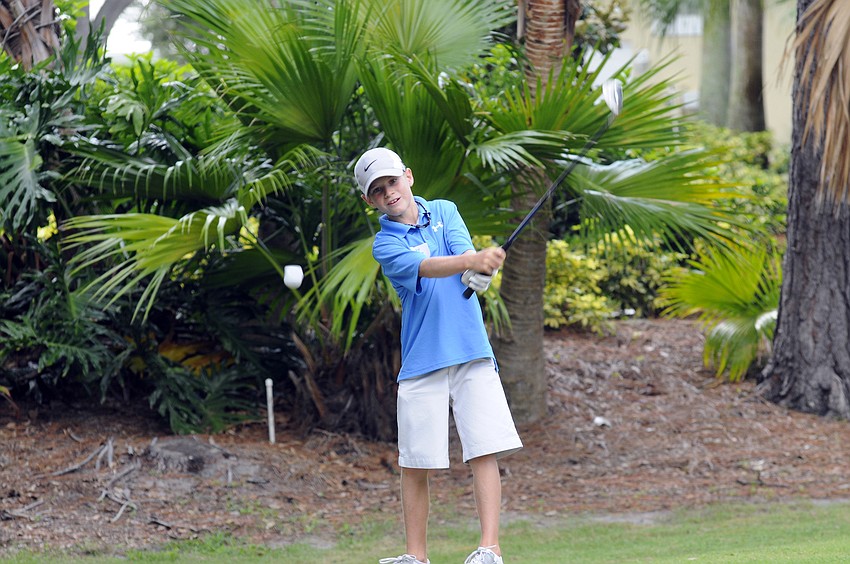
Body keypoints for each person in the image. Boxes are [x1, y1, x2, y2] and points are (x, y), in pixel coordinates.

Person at [354, 147, 523, 564]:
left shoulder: (446, 211)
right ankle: (416, 556)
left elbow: (467, 268)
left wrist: (483, 270)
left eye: (391, 182)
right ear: (369, 201)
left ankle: (490, 549)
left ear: (408, 177)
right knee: (415, 461)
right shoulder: (385, 243)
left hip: (469, 349)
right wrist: (471, 260)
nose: (388, 192)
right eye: (377, 190)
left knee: (483, 448)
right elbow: (428, 267)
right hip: (422, 358)